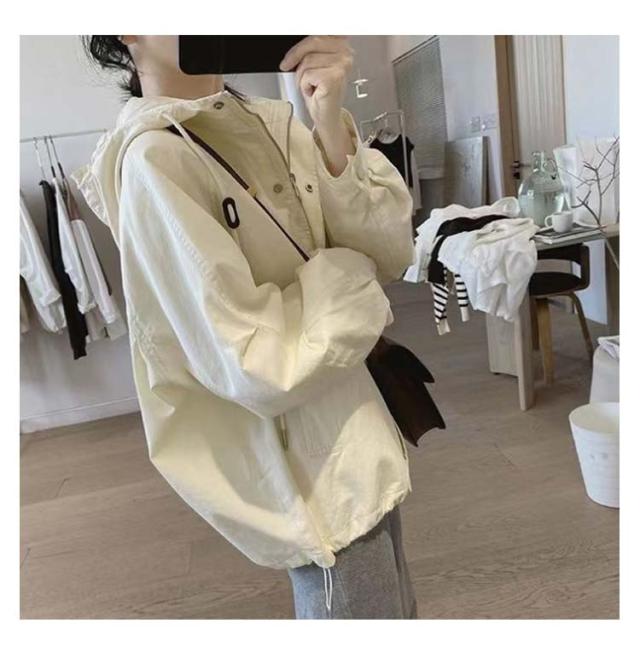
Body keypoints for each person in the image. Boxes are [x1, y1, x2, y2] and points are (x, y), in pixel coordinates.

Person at [75, 35, 417, 619]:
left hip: (359, 432)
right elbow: (257, 362)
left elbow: (390, 249)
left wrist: (329, 124)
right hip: (312, 476)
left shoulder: (270, 125)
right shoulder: (155, 161)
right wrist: (351, 276)